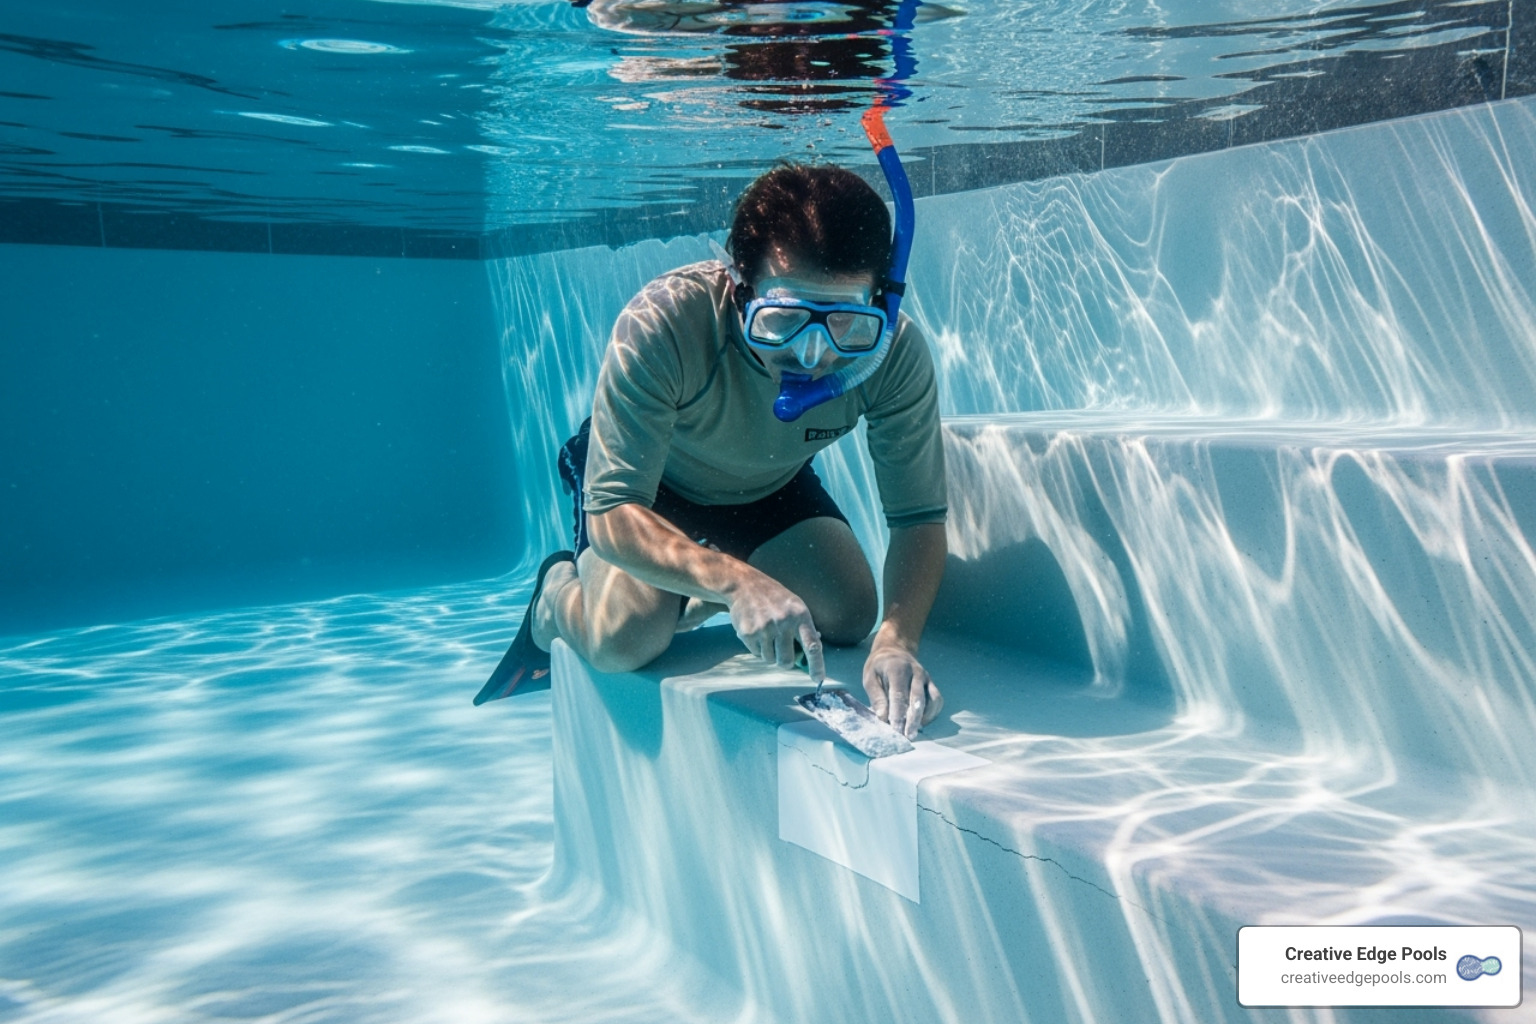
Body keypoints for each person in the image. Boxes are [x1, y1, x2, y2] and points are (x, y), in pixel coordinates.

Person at [509, 163, 947, 737]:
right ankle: (553, 601)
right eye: (784, 319)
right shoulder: (666, 321)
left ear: (882, 303)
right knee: (625, 639)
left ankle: (689, 595)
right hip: (650, 489)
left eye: (847, 323)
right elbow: (613, 509)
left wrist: (897, 643)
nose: (813, 356)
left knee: (850, 613)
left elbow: (917, 518)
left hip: (767, 484)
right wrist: (739, 583)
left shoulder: (894, 355)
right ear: (740, 286)